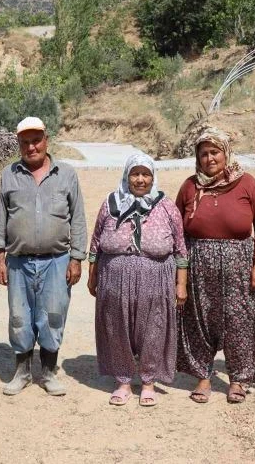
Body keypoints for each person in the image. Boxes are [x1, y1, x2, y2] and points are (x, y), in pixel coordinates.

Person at [175, 128, 255, 404]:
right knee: (198, 320)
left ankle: (238, 380)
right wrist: (179, 272)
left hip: (239, 263)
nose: (209, 159)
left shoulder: (247, 184)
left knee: (238, 321)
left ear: (225, 153)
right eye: (203, 154)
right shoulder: (190, 186)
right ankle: (203, 377)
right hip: (197, 264)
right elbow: (177, 230)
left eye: (214, 152)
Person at [0, 117, 87, 397]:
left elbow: (78, 218)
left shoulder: (67, 174)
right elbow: (1, 218)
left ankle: (47, 373)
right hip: (18, 261)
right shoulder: (9, 174)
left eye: (36, 140)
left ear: (46, 140)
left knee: (53, 316)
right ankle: (22, 372)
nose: (31, 147)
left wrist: (77, 258)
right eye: (25, 142)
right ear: (19, 144)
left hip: (57, 260)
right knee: (20, 316)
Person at [87, 154, 188, 407]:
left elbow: (180, 248)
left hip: (156, 279)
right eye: (135, 173)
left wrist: (181, 284)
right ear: (126, 175)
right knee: (116, 327)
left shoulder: (166, 205)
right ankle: (122, 381)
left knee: (153, 330)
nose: (140, 179)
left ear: (153, 177)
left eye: (146, 174)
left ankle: (148, 382)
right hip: (114, 278)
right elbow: (96, 242)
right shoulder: (110, 203)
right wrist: (92, 275)